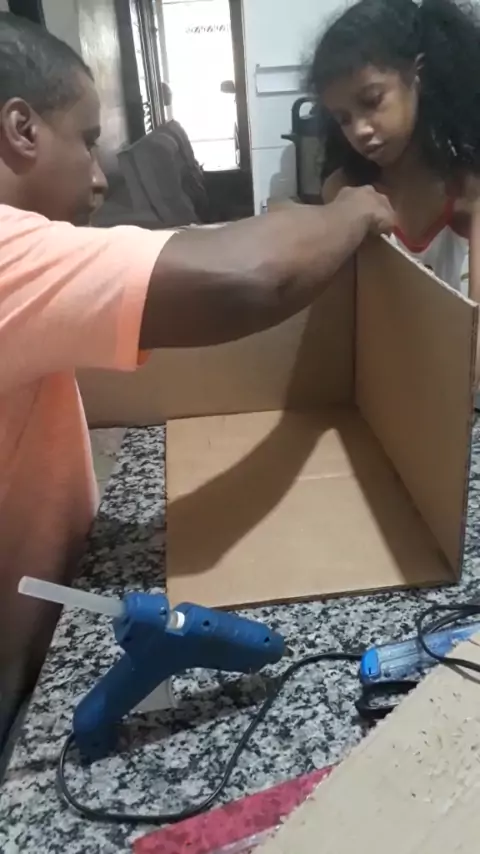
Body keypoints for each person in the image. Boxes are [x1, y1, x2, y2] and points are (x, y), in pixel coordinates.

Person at [0, 12, 393, 742]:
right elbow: (251, 277)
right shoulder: (9, 254)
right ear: (22, 129)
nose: (99, 176)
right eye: (86, 141)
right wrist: (351, 209)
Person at [310, 0, 480, 301]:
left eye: (372, 101)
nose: (359, 130)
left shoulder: (468, 189)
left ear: (417, 75)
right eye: (343, 118)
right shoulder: (343, 190)